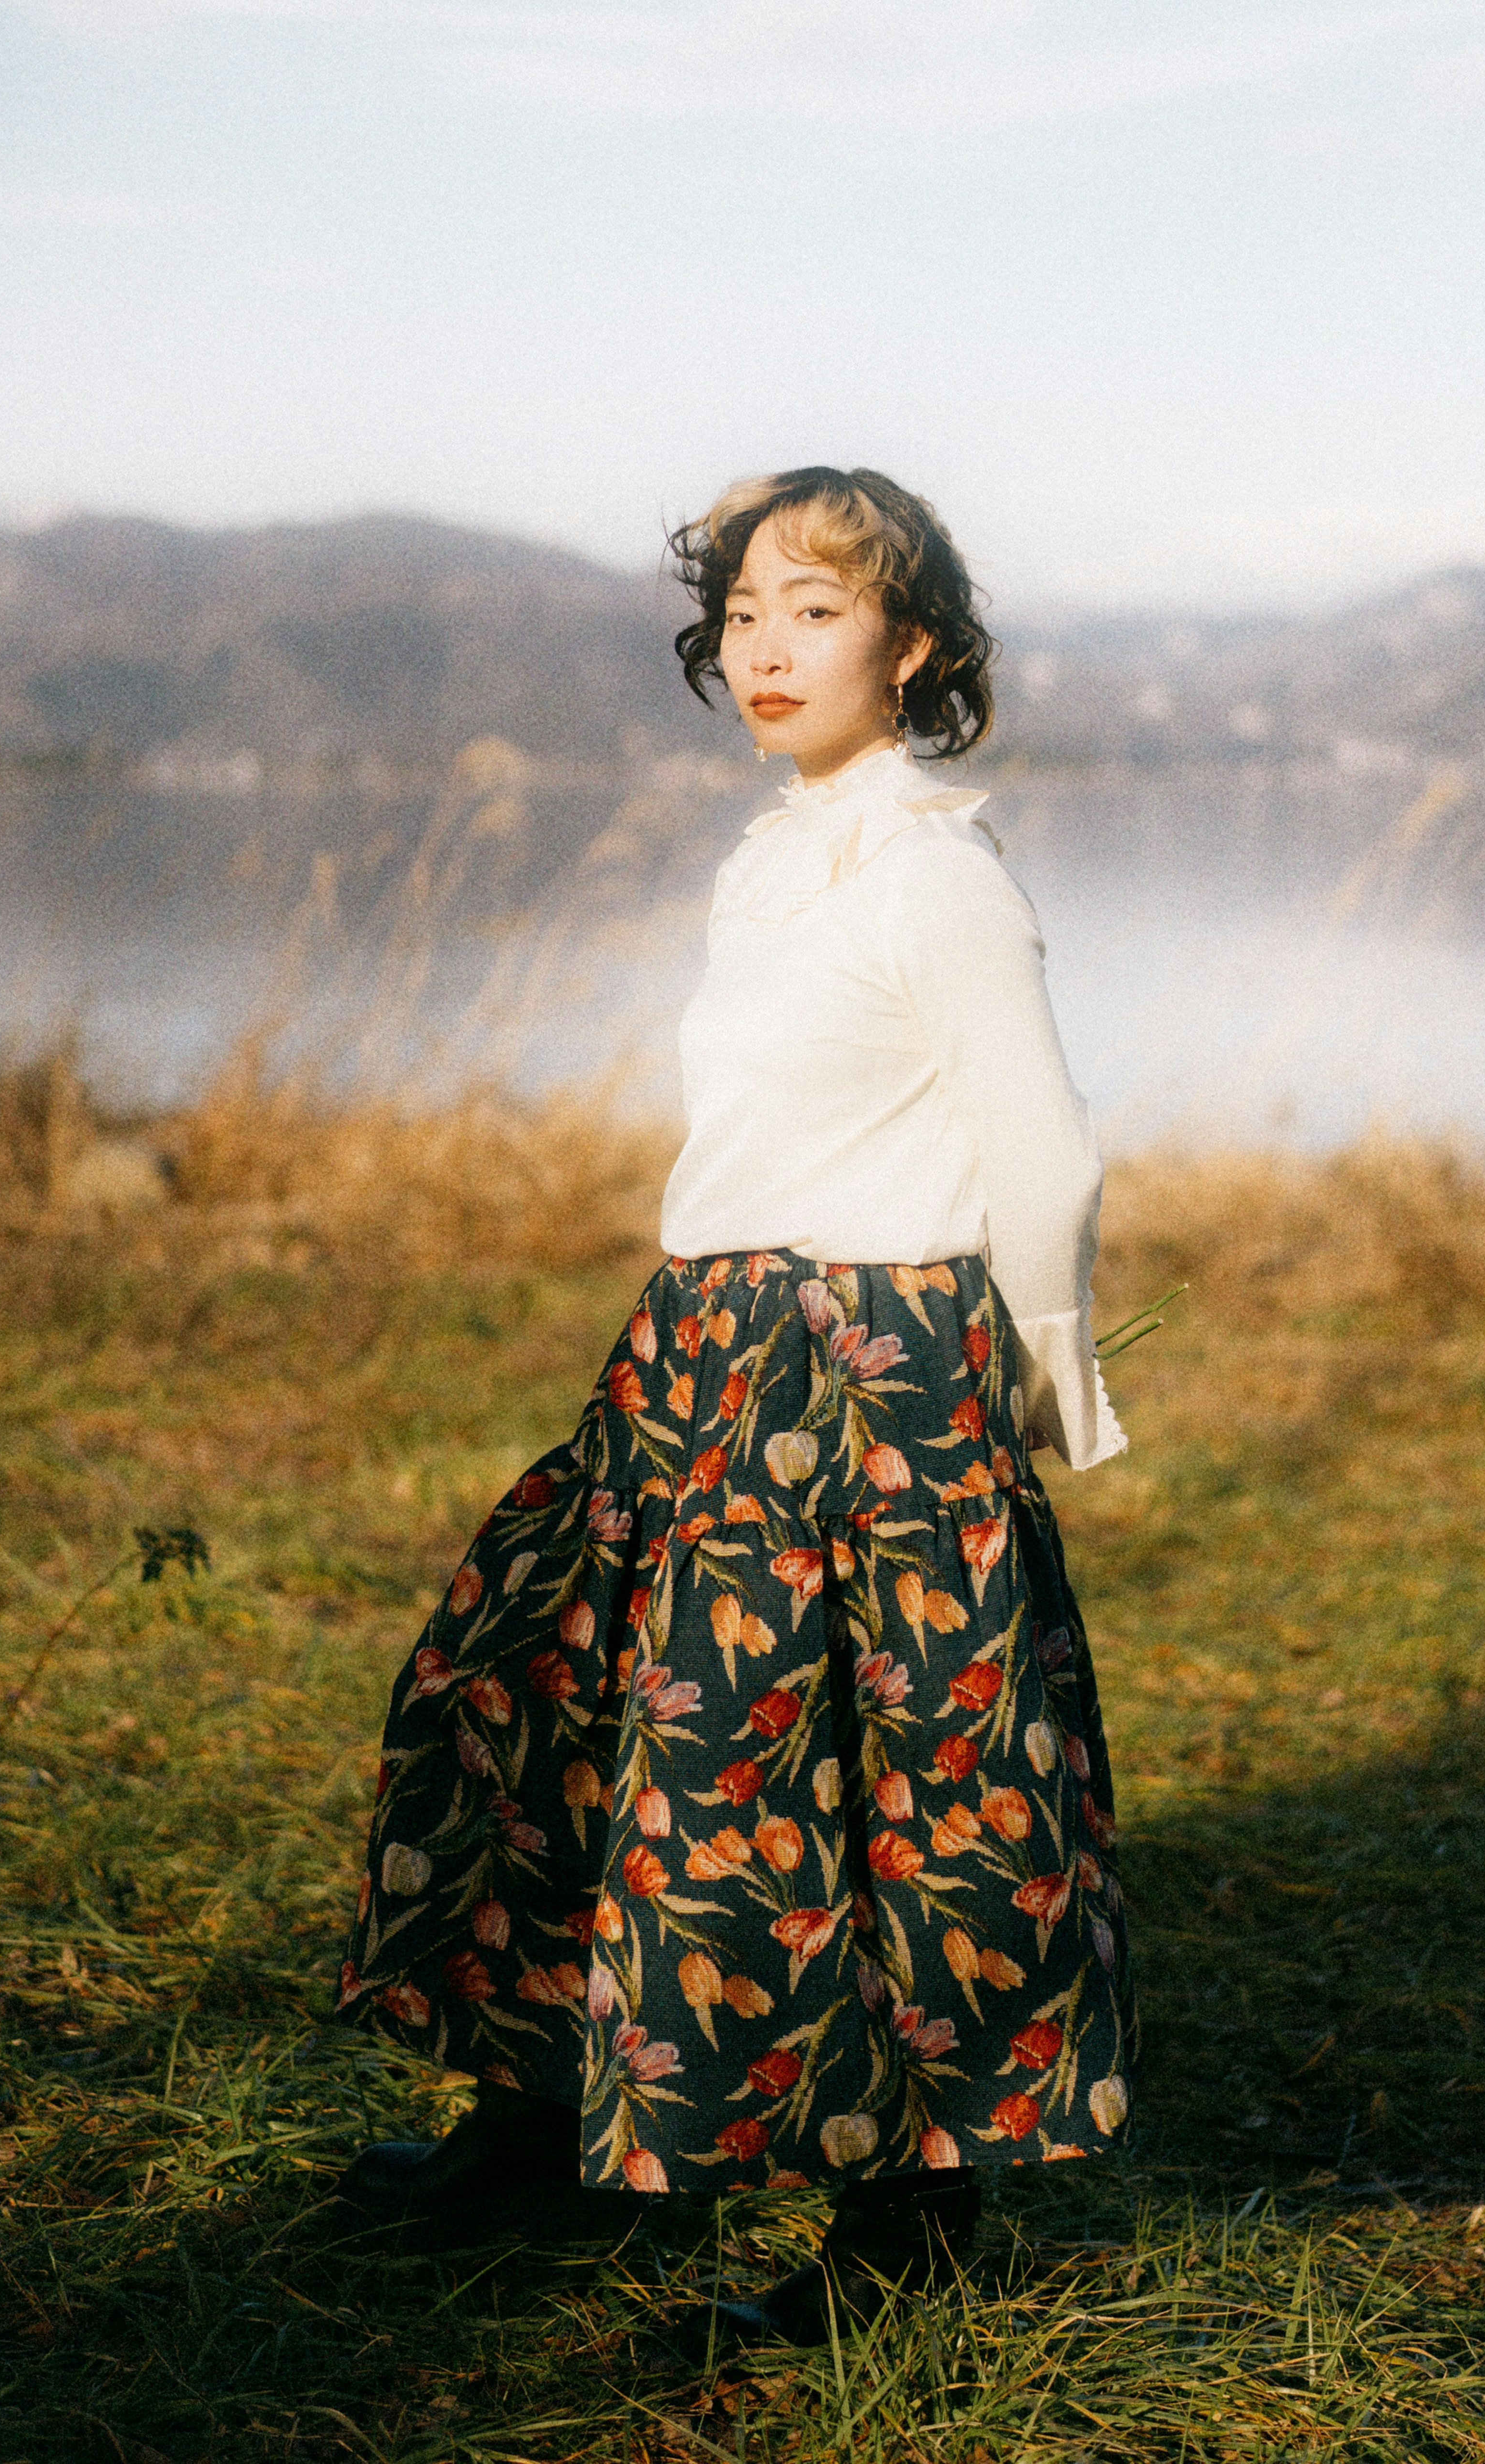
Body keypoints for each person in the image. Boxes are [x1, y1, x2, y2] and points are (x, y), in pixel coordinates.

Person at [332, 465, 1137, 2342]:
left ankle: (908, 2234)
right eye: (748, 611)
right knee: (546, 1697)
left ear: (912, 643)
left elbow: (1047, 1148)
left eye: (821, 609)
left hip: (870, 1377)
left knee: (886, 1790)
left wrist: (1051, 1370)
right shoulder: (776, 853)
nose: (770, 647)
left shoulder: (939, 867)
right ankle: (542, 2110)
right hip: (701, 1345)